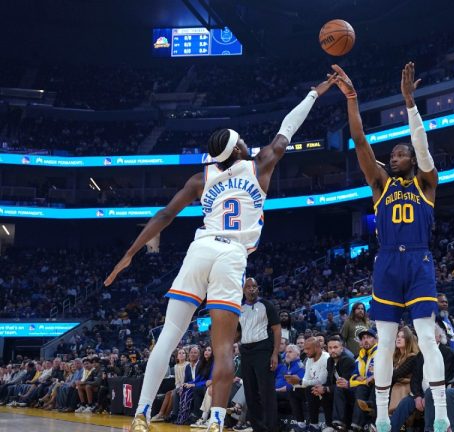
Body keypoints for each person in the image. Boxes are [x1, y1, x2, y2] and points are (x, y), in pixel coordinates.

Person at [104, 76, 335, 432]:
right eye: (242, 140)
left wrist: (131, 253)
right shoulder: (261, 164)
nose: (246, 141)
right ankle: (215, 420)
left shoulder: (201, 178)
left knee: (169, 334)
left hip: (200, 249)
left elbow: (165, 214)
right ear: (238, 151)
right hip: (231, 255)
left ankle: (142, 414)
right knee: (224, 346)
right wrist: (314, 92)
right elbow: (288, 126)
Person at [332, 62, 449, 432]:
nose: (393, 157)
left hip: (419, 259)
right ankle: (382, 415)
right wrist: (352, 100)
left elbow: (423, 146)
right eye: (392, 155)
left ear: (411, 160)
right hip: (386, 263)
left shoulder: (427, 183)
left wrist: (409, 103)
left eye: (399, 154)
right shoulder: (380, 183)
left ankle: (441, 411)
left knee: (427, 337)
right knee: (383, 342)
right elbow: (361, 141)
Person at [390, 323, 454, 432]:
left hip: (440, 396)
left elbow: (447, 378)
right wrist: (417, 396)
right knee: (406, 402)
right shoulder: (420, 356)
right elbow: (415, 380)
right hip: (421, 395)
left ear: (438, 337)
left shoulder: (448, 353)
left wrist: (429, 396)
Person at [240, 277, 281, 432]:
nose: (252, 289)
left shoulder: (266, 305)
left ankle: (271, 427)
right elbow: (238, 333)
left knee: (266, 392)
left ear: (258, 288)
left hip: (263, 351)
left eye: (254, 286)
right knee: (250, 393)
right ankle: (258, 428)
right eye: (248, 286)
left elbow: (277, 329)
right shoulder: (240, 308)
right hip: (245, 352)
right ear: (243, 290)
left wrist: (275, 354)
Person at [288, 337, 331, 432]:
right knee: (292, 390)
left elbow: (321, 381)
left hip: (325, 390)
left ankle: (314, 424)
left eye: (308, 349)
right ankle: (301, 423)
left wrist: (300, 382)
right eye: (304, 349)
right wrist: (297, 383)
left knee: (309, 389)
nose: (305, 351)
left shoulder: (326, 358)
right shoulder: (309, 360)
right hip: (312, 389)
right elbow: (306, 379)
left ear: (316, 347)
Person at [323, 336, 356, 432]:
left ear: (342, 348)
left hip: (351, 390)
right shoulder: (330, 360)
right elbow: (330, 381)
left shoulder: (347, 360)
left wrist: (326, 388)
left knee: (337, 389)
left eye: (335, 347)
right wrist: (322, 388)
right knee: (318, 391)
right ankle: (328, 424)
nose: (332, 350)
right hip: (338, 390)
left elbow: (343, 383)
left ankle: (339, 423)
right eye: (330, 348)